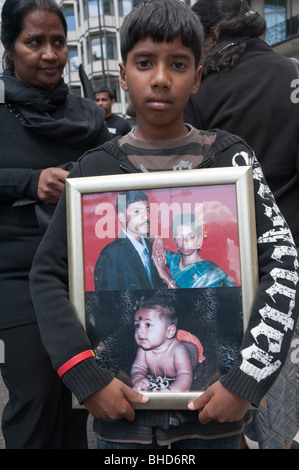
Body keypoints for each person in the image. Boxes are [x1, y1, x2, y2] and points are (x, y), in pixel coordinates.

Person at [30, 0, 298, 449]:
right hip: (122, 424)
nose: (159, 77)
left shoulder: (231, 157)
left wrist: (246, 380)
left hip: (216, 419)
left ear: (197, 76)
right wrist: (86, 375)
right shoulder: (93, 170)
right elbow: (47, 275)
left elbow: (283, 262)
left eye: (177, 64)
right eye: (144, 62)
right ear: (122, 74)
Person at [184, 0, 299, 449]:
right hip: (288, 260)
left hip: (225, 263)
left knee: (229, 382)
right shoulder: (290, 74)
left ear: (207, 35)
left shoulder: (201, 90)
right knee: (282, 379)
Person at [0, 0, 110, 449]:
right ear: (9, 47)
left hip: (79, 277)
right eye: (34, 42)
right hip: (17, 277)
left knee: (77, 399)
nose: (49, 54)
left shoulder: (89, 116)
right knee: (37, 396)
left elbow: (116, 170)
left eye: (58, 43)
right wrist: (31, 182)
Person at [94, 190, 164, 291]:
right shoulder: (111, 254)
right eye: (137, 212)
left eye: (147, 210)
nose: (146, 216)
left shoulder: (152, 247)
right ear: (122, 217)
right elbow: (108, 301)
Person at [131, 297, 204, 393]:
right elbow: (137, 368)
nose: (139, 330)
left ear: (169, 331)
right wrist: (138, 379)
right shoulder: (143, 350)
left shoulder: (178, 351)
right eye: (137, 325)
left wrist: (169, 391)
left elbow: (185, 375)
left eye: (148, 325)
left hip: (189, 345)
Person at [152, 213, 235, 288]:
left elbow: (188, 303)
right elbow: (149, 243)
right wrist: (159, 237)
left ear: (199, 240)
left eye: (190, 236)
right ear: (175, 241)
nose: (184, 242)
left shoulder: (209, 272)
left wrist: (166, 277)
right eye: (179, 237)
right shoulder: (174, 260)